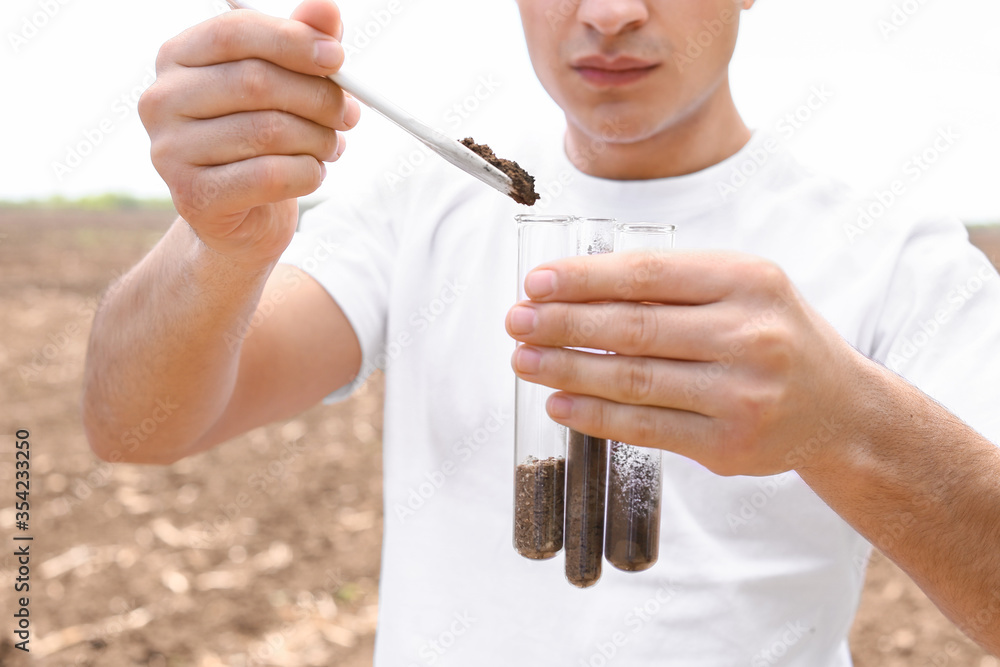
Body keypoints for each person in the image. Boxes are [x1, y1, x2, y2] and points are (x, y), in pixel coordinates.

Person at [82, 0, 1000, 663]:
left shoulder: (895, 256)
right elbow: (136, 425)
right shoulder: (420, 205)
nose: (607, 14)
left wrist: (849, 422)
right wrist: (221, 245)